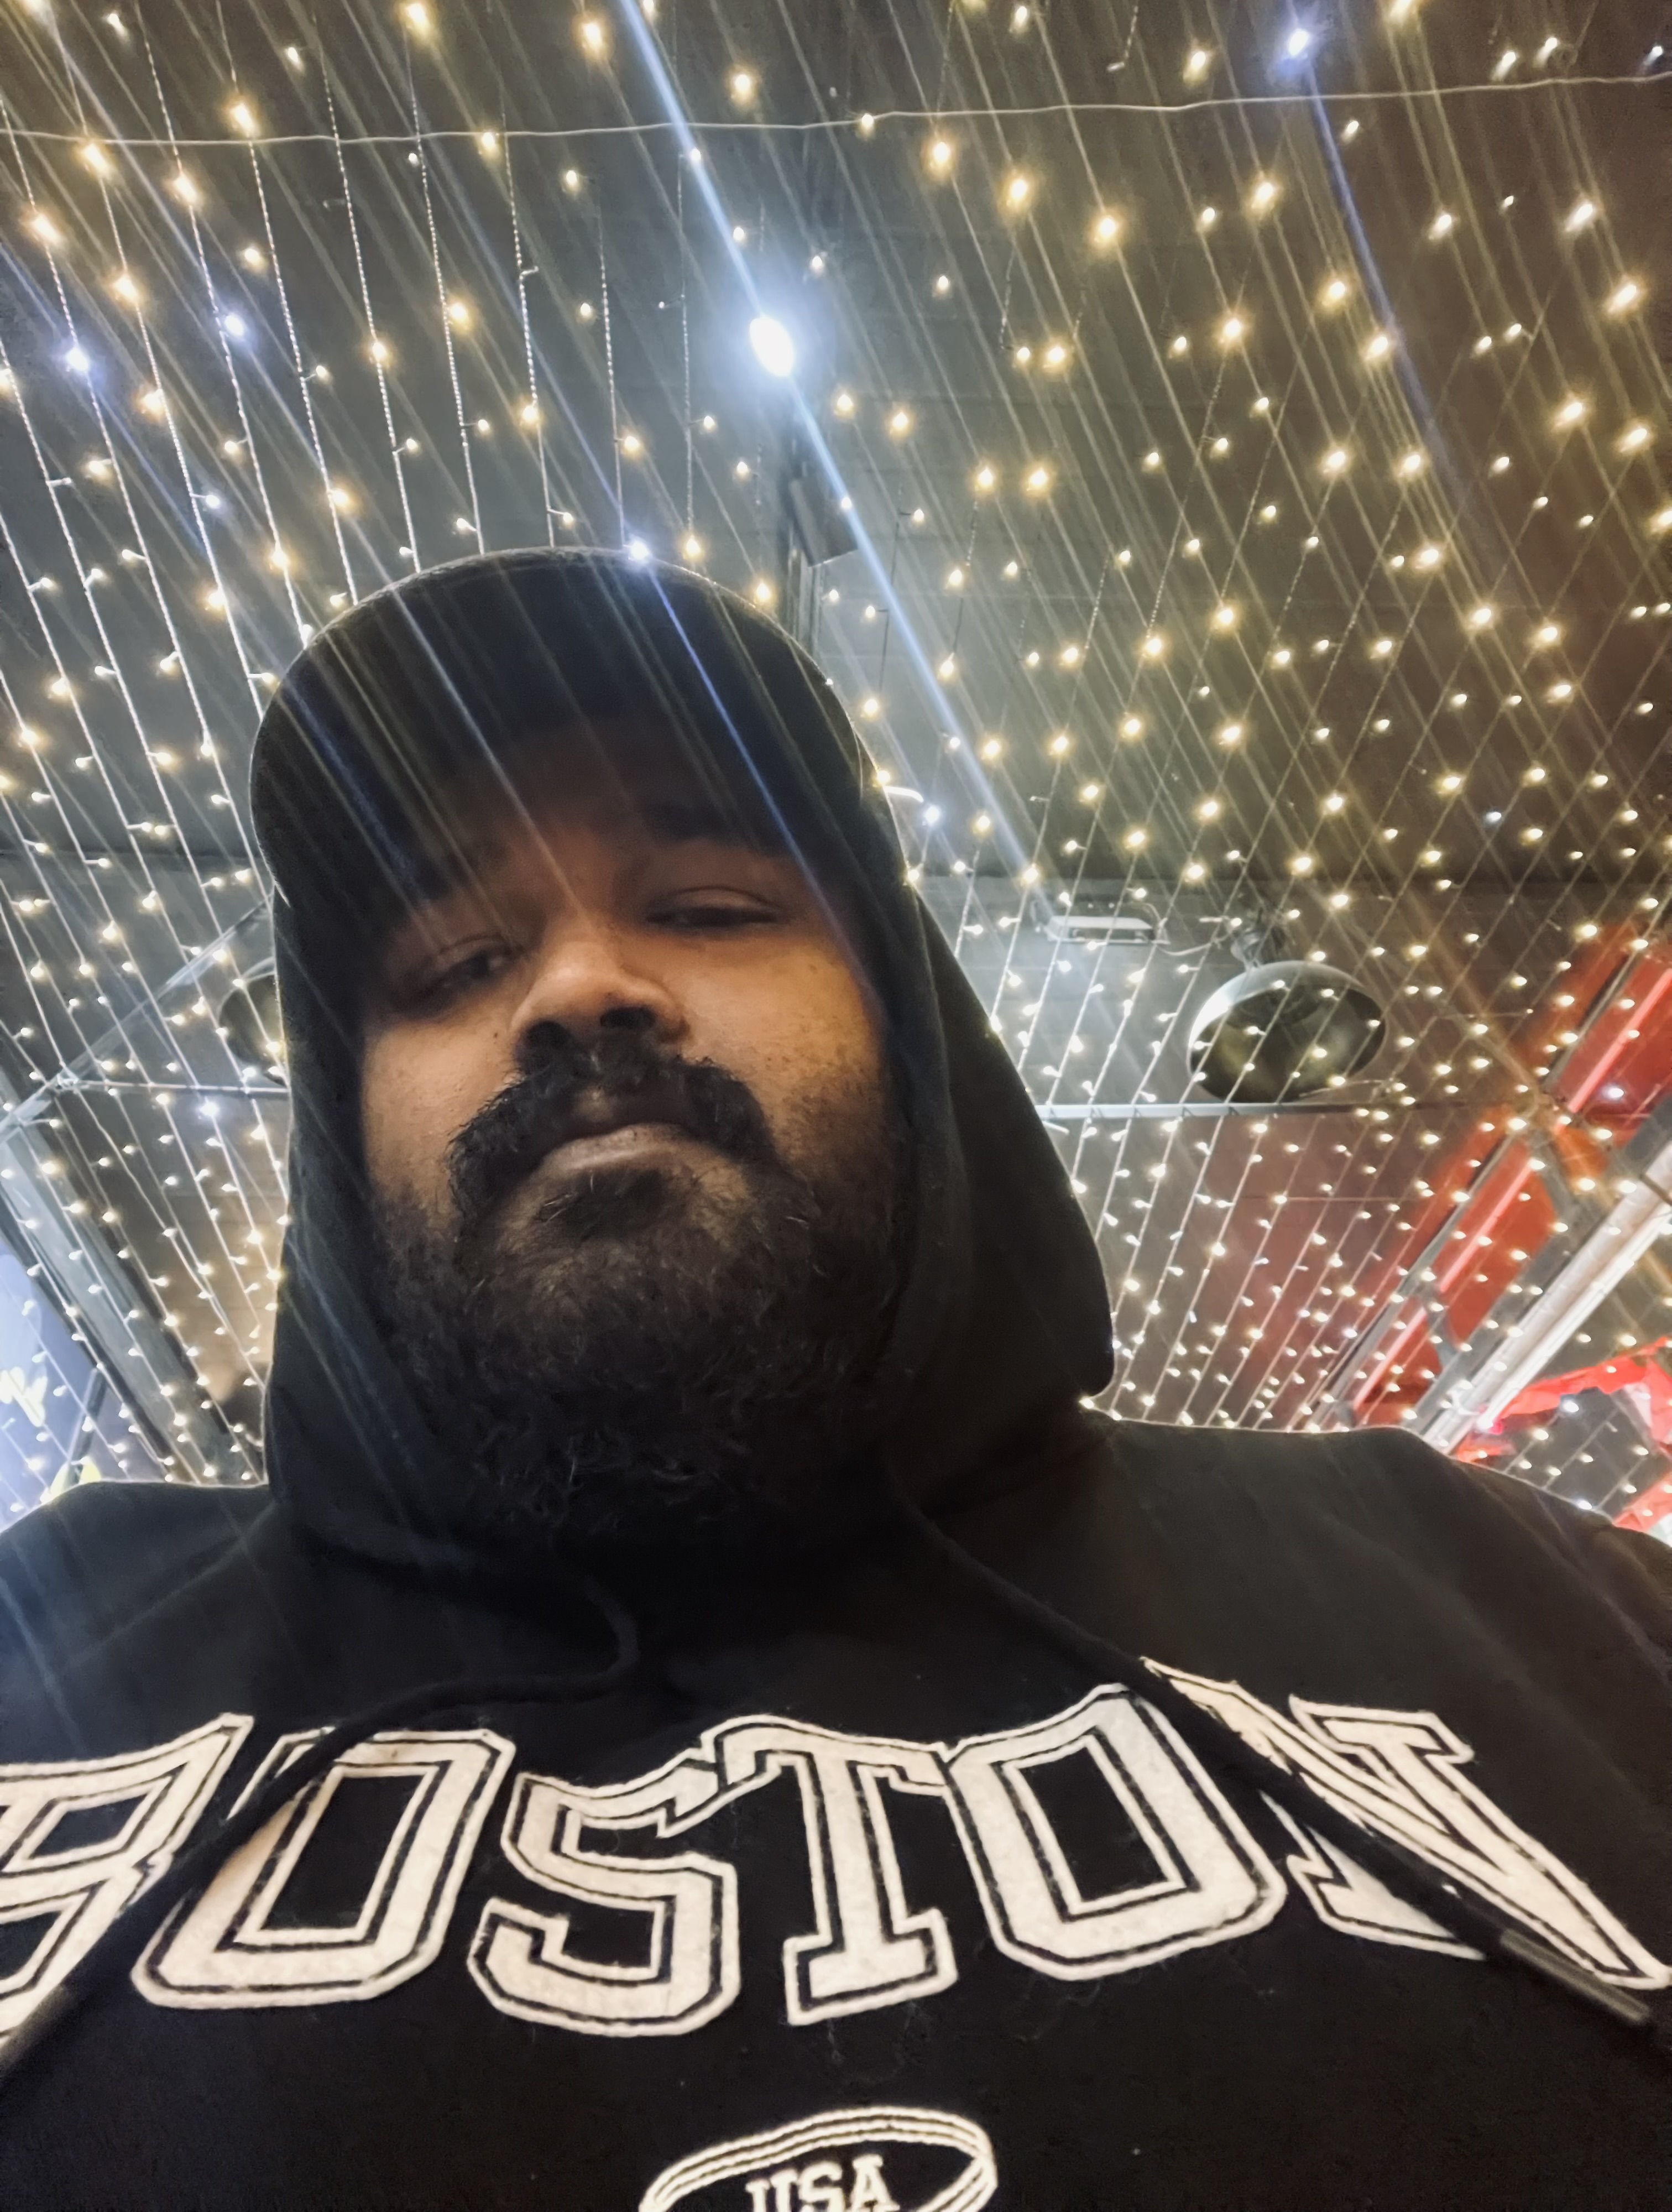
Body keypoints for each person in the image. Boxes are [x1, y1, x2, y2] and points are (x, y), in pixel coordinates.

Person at [0, 549, 1665, 2208]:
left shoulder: (1490, 1580)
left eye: (708, 908)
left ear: (907, 1024)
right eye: (449, 965)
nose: (578, 991)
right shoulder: (52, 1641)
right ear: (340, 1129)